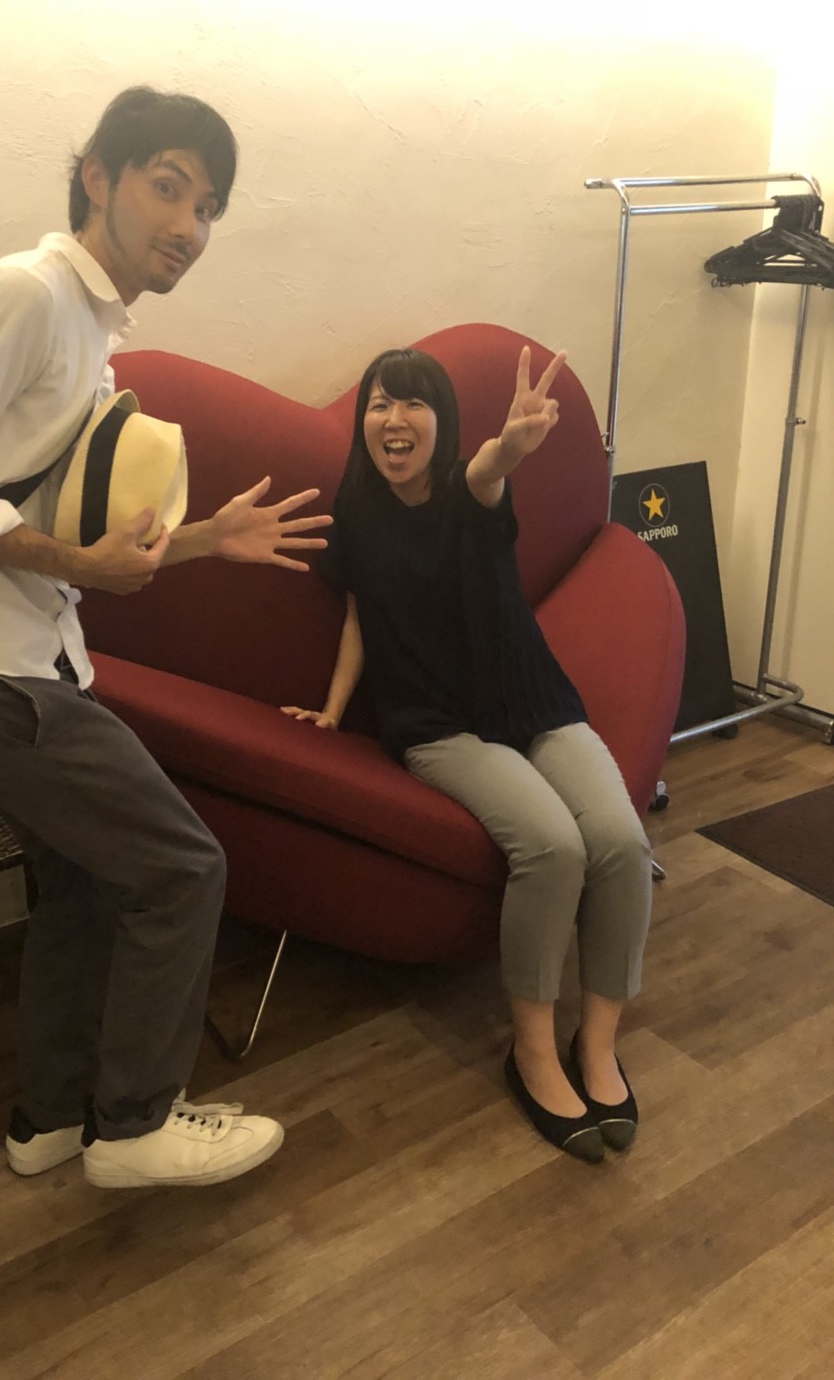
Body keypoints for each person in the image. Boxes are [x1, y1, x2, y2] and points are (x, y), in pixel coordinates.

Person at [0, 86, 329, 1189]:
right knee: (184, 866)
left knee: (84, 881)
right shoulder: (25, 297)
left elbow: (75, 534)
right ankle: (134, 1122)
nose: (189, 226)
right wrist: (79, 569)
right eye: (168, 187)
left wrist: (204, 539)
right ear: (97, 177)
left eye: (207, 207)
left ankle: (49, 1119)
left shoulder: (92, 332)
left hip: (19, 660)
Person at [282, 345, 651, 1163]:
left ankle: (596, 1045)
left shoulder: (467, 489)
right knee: (553, 849)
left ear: (442, 422)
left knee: (621, 843)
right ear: (364, 421)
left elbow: (489, 471)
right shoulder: (357, 509)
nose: (394, 419)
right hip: (436, 725)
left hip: (533, 701)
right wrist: (332, 711)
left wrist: (510, 446)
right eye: (379, 403)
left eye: (413, 403)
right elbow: (360, 617)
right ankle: (532, 1055)